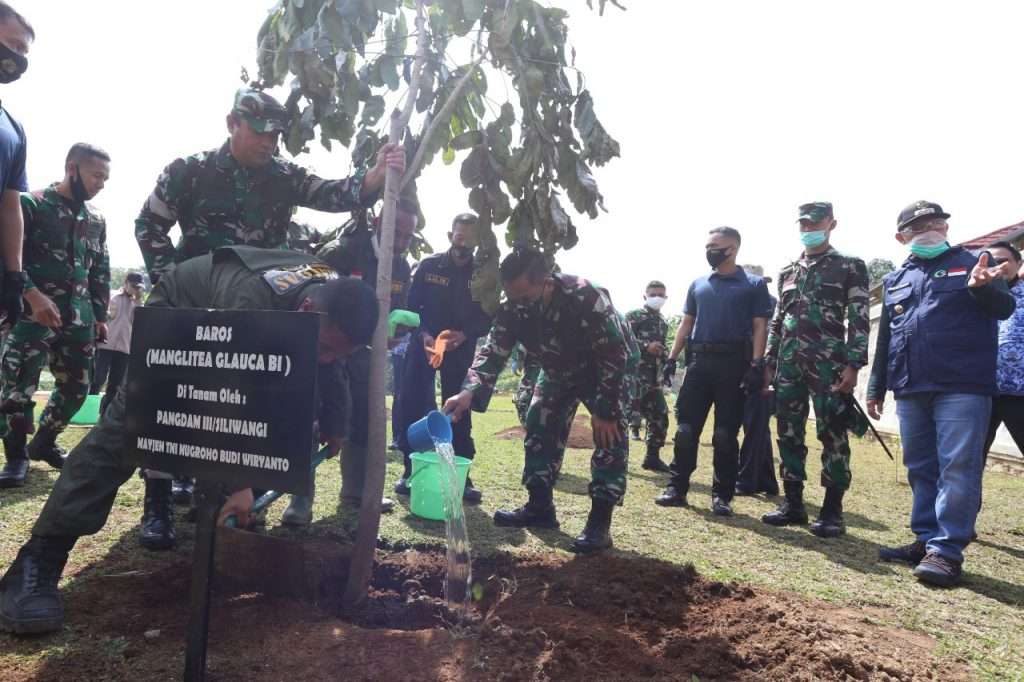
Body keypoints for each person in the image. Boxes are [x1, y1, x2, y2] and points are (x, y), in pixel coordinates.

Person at [0, 245, 379, 634]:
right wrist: (242, 481)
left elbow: (333, 364)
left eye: (338, 351)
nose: (329, 358)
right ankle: (37, 561)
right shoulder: (249, 298)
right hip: (181, 310)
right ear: (305, 312)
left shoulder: (334, 302)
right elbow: (228, 397)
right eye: (326, 349)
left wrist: (336, 425)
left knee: (281, 423)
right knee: (129, 428)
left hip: (249, 330)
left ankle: (224, 527)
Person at [132, 87, 403, 546]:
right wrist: (169, 278)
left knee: (247, 403)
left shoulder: (283, 176)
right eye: (259, 131)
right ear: (232, 123)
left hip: (259, 309)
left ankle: (226, 491)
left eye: (275, 134)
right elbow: (148, 224)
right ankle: (157, 503)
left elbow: (335, 192)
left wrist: (374, 176)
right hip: (194, 303)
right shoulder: (189, 172)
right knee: (169, 399)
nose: (268, 142)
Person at [444, 248, 632, 554]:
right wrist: (467, 391)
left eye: (524, 297)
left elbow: (615, 353)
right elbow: (493, 351)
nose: (518, 304)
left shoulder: (586, 296)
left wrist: (606, 409)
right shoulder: (513, 307)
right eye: (512, 296)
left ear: (546, 282)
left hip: (604, 369)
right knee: (538, 421)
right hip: (557, 368)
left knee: (609, 436)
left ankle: (599, 523)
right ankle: (540, 507)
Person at [868, 203, 1015, 586]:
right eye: (918, 226)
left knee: (958, 467)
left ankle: (947, 552)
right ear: (902, 237)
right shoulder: (896, 278)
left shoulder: (974, 263)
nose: (929, 230)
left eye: (935, 222)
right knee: (920, 468)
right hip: (911, 385)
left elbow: (1004, 307)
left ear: (947, 226)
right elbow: (887, 336)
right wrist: (876, 385)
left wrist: (984, 288)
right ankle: (926, 539)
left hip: (962, 385)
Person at [298, 197, 419, 524]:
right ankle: (300, 497)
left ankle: (355, 493)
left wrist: (394, 332)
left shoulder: (403, 267)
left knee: (364, 417)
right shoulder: (342, 250)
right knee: (313, 411)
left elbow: (397, 310)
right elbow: (315, 291)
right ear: (380, 222)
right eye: (398, 234)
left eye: (409, 237)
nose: (402, 243)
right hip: (326, 348)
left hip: (367, 355)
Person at [0, 144, 110, 488]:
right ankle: (16, 457)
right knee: (16, 390)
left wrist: (101, 315)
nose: (101, 184)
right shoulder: (32, 204)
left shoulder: (96, 219)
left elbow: (99, 269)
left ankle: (44, 442)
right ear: (72, 169)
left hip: (78, 318)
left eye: (106, 178)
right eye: (96, 175)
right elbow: (9, 257)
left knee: (78, 387)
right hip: (32, 315)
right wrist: (32, 295)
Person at [759, 202, 869, 538]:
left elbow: (860, 318)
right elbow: (779, 320)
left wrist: (853, 365)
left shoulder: (850, 266)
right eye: (804, 224)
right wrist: (769, 361)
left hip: (829, 365)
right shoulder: (788, 270)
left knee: (832, 434)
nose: (809, 229)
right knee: (788, 434)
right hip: (789, 365)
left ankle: (832, 511)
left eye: (815, 223)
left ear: (831, 223)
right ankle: (793, 504)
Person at [657, 227, 772, 515]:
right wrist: (671, 359)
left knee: (724, 435)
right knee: (685, 431)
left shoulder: (753, 285)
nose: (709, 250)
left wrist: (757, 365)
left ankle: (722, 496)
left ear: (732, 249)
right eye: (708, 245)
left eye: (715, 246)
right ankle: (676, 487)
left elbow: (761, 326)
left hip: (734, 366)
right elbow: (686, 322)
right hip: (699, 364)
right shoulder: (698, 284)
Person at [393, 213, 492, 502]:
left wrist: (464, 334)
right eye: (459, 236)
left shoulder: (483, 274)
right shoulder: (428, 266)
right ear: (451, 236)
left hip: (460, 349)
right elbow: (410, 306)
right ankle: (411, 470)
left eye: (470, 238)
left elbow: (486, 316)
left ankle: (461, 477)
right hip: (423, 347)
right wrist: (423, 334)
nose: (464, 243)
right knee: (413, 403)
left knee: (458, 408)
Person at [0, 2, 32, 326]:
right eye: (14, 44)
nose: (20, 57)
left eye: (25, 51)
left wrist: (14, 275)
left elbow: (11, 207)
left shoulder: (13, 129)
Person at [981, 241, 1024, 467]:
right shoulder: (976, 297)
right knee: (969, 463)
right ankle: (966, 504)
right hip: (981, 393)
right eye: (992, 262)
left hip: (1020, 394)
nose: (998, 266)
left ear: (1019, 263)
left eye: (1004, 260)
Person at [736, 274, 779, 496]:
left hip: (760, 371)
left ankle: (746, 480)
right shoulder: (741, 302)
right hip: (745, 368)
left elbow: (770, 340)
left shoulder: (770, 304)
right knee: (759, 428)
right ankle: (767, 481)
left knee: (754, 427)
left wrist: (765, 371)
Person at [624, 280, 672, 472]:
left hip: (653, 379)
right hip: (633, 377)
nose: (657, 298)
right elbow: (622, 339)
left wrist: (663, 351)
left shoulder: (663, 322)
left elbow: (661, 347)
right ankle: (613, 459)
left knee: (660, 415)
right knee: (625, 417)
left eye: (661, 295)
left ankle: (652, 457)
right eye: (653, 295)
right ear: (645, 296)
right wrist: (646, 346)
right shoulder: (634, 316)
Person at [88, 272, 144, 416]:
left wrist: (138, 302)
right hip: (105, 345)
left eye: (138, 287)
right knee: (98, 378)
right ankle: (88, 411)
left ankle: (104, 415)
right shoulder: (111, 296)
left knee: (115, 384)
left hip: (124, 349)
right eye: (133, 286)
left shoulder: (138, 304)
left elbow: (139, 323)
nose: (135, 289)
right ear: (125, 283)